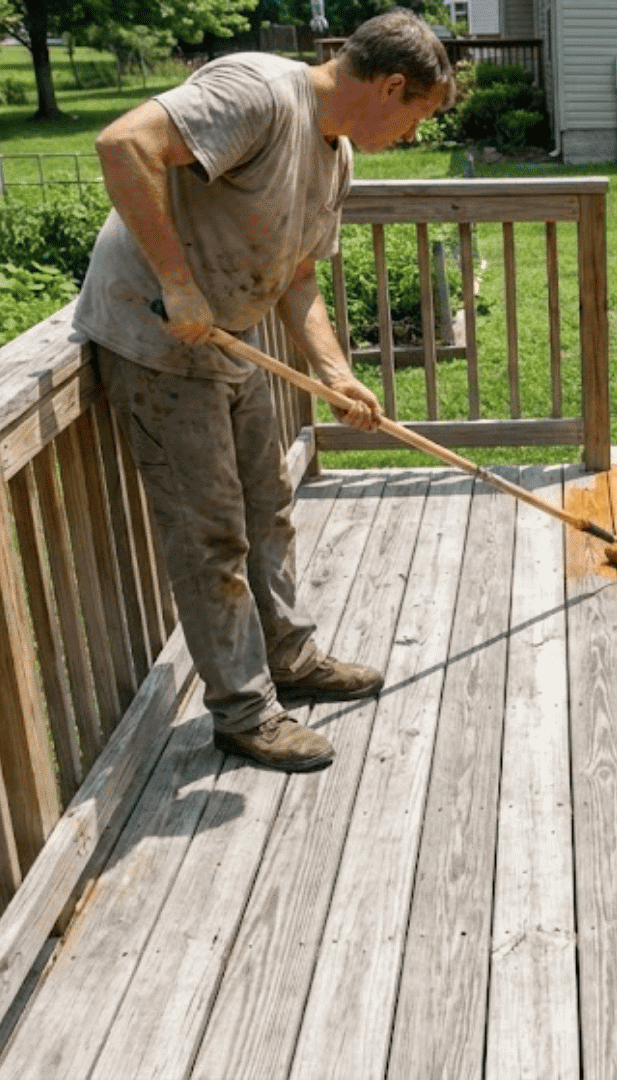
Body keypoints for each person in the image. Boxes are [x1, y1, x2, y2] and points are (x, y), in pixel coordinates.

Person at [73, 9, 458, 771]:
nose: (413, 136)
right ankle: (244, 712)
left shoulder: (336, 155)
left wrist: (335, 372)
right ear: (389, 87)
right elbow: (124, 144)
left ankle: (288, 657)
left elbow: (301, 275)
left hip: (233, 335)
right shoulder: (260, 92)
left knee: (267, 503)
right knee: (209, 532)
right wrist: (178, 286)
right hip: (157, 338)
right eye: (419, 116)